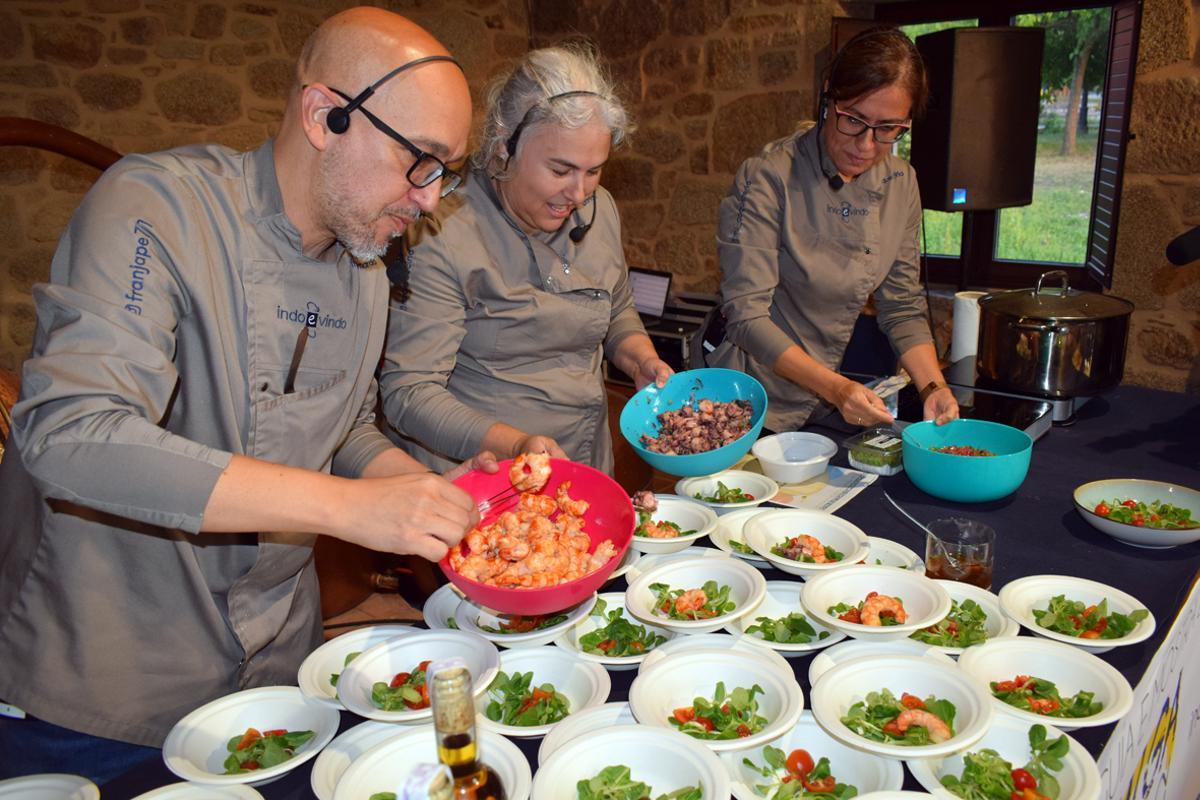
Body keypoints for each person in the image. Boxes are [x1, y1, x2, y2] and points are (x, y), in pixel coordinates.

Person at [0, 8, 483, 782]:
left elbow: (344, 424)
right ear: (325, 115)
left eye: (446, 172)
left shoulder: (363, 264)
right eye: (420, 162)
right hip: (104, 686)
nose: (431, 200)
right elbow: (72, 435)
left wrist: (415, 488)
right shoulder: (154, 206)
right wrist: (349, 509)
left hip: (276, 676)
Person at [379, 44, 672, 475]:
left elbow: (617, 307)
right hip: (486, 472)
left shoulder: (600, 208)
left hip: (584, 456)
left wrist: (640, 358)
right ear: (504, 148)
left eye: (594, 170)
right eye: (560, 170)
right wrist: (515, 444)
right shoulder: (442, 230)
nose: (578, 194)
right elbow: (411, 392)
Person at [709, 26, 959, 432]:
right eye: (853, 120)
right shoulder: (768, 177)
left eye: (887, 129)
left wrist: (933, 386)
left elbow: (903, 305)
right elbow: (746, 316)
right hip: (751, 398)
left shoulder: (901, 183)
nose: (865, 145)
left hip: (828, 395)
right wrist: (838, 390)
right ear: (830, 95)